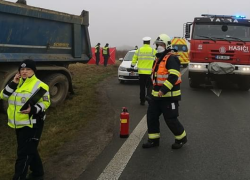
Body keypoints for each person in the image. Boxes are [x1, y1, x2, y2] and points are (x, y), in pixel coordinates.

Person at [0, 59, 50, 180]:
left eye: (28, 69)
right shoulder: (16, 83)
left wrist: (33, 110)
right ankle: (38, 173)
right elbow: (3, 96)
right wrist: (13, 83)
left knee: (23, 154)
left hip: (32, 124)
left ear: (33, 71)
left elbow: (45, 103)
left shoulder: (40, 85)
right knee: (29, 148)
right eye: (22, 69)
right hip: (17, 124)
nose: (24, 72)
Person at [142, 34, 187, 149]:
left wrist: (163, 90)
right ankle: (153, 140)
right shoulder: (157, 59)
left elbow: (173, 76)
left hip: (169, 96)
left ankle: (181, 138)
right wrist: (149, 91)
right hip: (156, 97)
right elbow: (154, 77)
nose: (158, 47)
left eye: (161, 44)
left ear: (167, 45)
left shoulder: (172, 58)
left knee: (170, 119)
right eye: (157, 45)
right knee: (151, 117)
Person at [131, 37, 156, 105]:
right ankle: (149, 100)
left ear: (143, 42)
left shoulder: (138, 50)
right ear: (149, 42)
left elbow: (134, 60)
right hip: (149, 73)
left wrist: (132, 67)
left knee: (142, 88)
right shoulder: (152, 50)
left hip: (141, 73)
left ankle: (142, 101)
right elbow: (157, 59)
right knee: (149, 88)